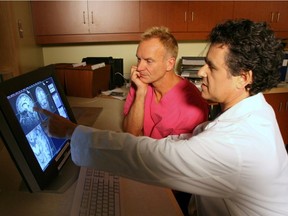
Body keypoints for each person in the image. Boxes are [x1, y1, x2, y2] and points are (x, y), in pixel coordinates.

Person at [36, 19, 288, 215]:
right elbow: (182, 142)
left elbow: (154, 157)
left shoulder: (236, 143)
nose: (200, 71)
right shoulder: (256, 111)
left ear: (244, 77)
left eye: (211, 66)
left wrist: (72, 131)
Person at [123, 26, 209, 139]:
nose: (139, 67)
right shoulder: (140, 83)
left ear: (169, 63)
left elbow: (171, 154)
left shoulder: (192, 108)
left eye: (149, 61)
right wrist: (140, 93)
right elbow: (130, 132)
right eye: (139, 59)